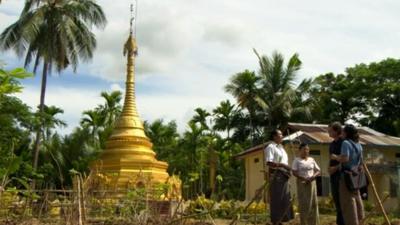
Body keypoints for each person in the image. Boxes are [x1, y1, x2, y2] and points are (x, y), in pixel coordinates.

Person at [331, 124, 365, 225]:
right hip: (356, 175)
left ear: (346, 133)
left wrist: (335, 157)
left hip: (346, 176)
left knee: (348, 203)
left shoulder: (346, 143)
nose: (342, 133)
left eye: (343, 131)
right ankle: (360, 220)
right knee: (358, 200)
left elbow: (345, 158)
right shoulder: (358, 144)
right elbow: (361, 161)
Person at [264, 129, 294, 225]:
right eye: (280, 134)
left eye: (282, 135)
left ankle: (282, 220)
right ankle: (276, 221)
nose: (282, 136)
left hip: (285, 175)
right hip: (277, 175)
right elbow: (269, 162)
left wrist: (287, 169)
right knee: (277, 198)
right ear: (274, 136)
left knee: (285, 198)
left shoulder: (281, 148)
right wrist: (283, 166)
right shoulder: (270, 147)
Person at [292, 143, 321, 225]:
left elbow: (318, 170)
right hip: (302, 183)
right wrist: (303, 178)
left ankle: (314, 223)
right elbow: (294, 172)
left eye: (307, 149)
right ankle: (304, 223)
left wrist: (312, 177)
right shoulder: (297, 160)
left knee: (313, 204)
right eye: (304, 149)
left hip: (312, 183)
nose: (306, 151)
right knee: (304, 204)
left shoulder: (311, 159)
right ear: (300, 150)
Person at [328, 122, 345, 225]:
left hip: (342, 176)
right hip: (333, 176)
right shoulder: (332, 144)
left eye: (330, 130)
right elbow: (331, 159)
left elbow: (346, 160)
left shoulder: (344, 143)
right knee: (337, 202)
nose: (328, 132)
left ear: (336, 131)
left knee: (343, 202)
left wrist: (336, 168)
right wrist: (329, 168)